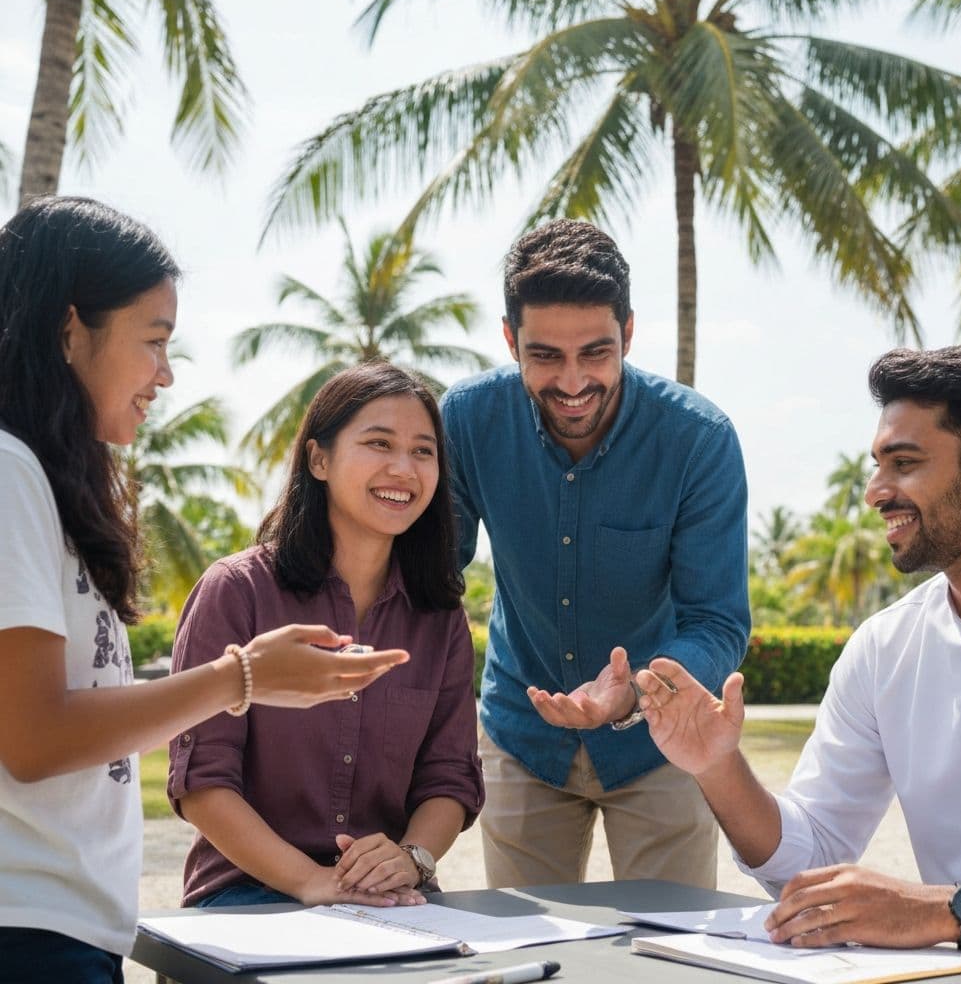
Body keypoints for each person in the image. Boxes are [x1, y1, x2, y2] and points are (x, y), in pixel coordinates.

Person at [0, 197, 409, 984]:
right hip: (26, 934)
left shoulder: (43, 480)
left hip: (59, 928)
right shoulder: (11, 470)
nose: (166, 373)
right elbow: (34, 737)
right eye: (153, 340)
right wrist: (243, 679)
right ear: (69, 329)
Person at [639, 342, 961, 955]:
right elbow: (810, 857)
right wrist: (717, 767)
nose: (875, 491)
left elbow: (936, 913)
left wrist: (950, 912)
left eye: (904, 463)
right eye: (878, 465)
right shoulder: (883, 649)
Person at [440, 218, 750, 888]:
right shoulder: (465, 420)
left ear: (629, 335)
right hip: (521, 738)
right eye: (545, 355)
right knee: (528, 955)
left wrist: (636, 690)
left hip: (662, 742)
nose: (573, 381)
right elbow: (433, 578)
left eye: (596, 352)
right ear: (509, 339)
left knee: (674, 954)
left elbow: (717, 622)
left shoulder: (700, 440)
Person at [168, 362, 484, 909]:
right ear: (319, 459)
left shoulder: (441, 616)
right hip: (247, 893)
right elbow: (202, 782)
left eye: (423, 451)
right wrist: (312, 882)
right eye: (379, 443)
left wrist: (411, 859)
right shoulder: (237, 592)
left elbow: (449, 778)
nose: (403, 469)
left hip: (390, 897)